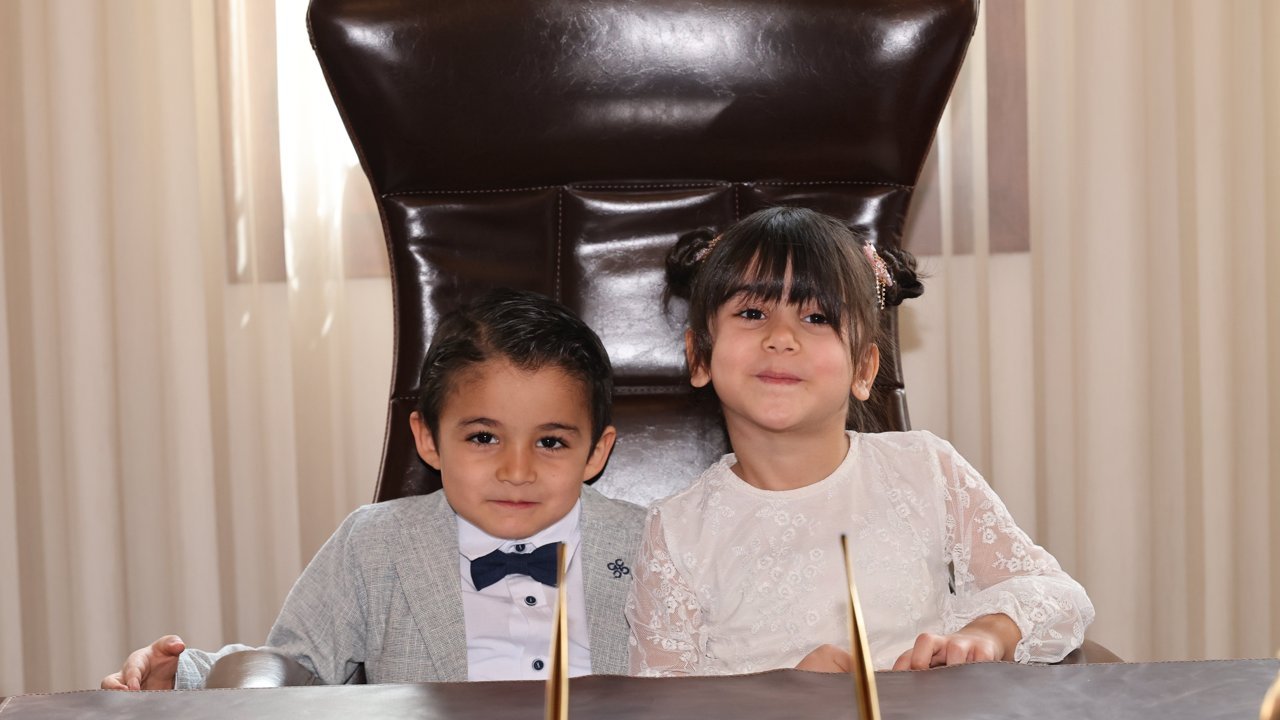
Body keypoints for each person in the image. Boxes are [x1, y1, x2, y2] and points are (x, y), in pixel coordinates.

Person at [625, 206, 1094, 675]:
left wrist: (989, 633)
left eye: (816, 317)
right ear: (699, 357)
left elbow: (1056, 594)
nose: (781, 338)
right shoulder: (676, 529)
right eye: (752, 313)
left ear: (865, 369)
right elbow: (662, 695)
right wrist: (776, 695)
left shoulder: (924, 469)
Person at [103, 288, 645, 689]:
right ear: (428, 439)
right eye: (484, 437)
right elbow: (293, 669)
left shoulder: (650, 542)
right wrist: (184, 678)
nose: (516, 470)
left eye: (550, 442)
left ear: (596, 452)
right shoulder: (376, 542)